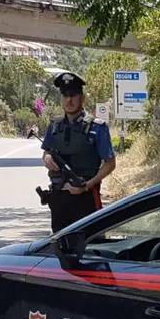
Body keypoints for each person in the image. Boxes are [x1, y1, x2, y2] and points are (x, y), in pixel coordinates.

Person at [40, 71, 116, 233]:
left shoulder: (97, 127)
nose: (69, 100)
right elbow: (46, 152)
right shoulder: (54, 126)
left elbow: (110, 164)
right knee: (62, 249)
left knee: (91, 247)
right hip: (59, 198)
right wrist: (47, 158)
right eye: (65, 95)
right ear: (60, 98)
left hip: (85, 198)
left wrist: (88, 185)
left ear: (82, 97)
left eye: (74, 95)